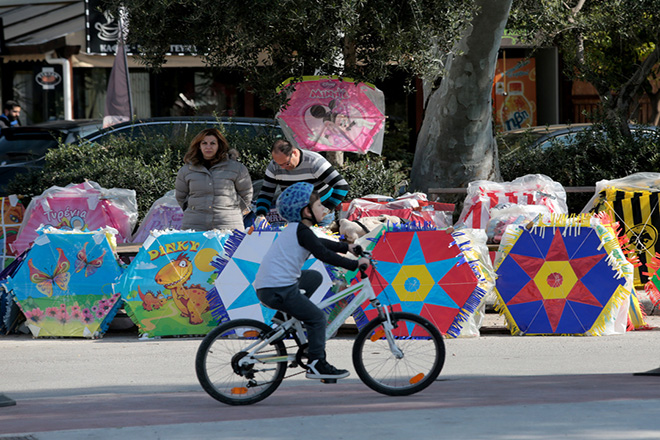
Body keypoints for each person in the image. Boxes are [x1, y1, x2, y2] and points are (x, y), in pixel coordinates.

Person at [254, 182, 369, 380]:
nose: (324, 209)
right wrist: (355, 265)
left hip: (270, 286)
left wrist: (346, 247)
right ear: (306, 211)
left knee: (314, 277)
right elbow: (322, 252)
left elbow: (319, 243)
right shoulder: (302, 231)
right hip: (279, 289)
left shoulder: (296, 229)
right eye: (319, 206)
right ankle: (317, 363)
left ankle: (283, 321)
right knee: (317, 319)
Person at [255, 139, 349, 226]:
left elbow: (342, 186)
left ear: (295, 153)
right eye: (280, 164)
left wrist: (326, 208)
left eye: (286, 163)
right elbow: (266, 193)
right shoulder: (274, 166)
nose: (283, 167)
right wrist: (261, 214)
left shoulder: (315, 162)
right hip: (295, 216)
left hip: (320, 214)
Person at [175, 128, 252, 231]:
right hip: (194, 225)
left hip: (229, 225)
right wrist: (194, 211)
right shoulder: (186, 170)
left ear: (219, 145)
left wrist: (230, 211)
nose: (208, 147)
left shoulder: (237, 168)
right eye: (204, 143)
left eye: (212, 143)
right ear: (199, 146)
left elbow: (246, 195)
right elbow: (181, 197)